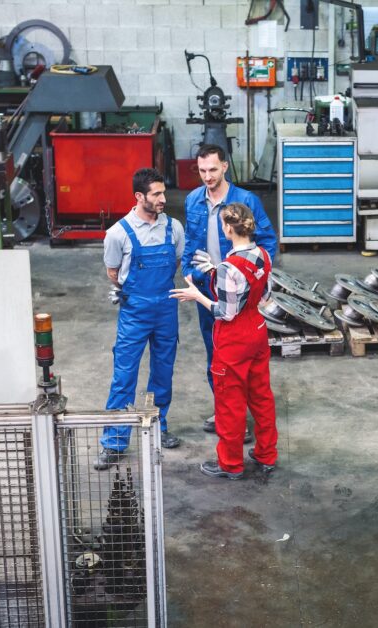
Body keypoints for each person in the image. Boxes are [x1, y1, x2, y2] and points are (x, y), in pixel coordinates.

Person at [171, 202, 279, 480]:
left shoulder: (228, 269)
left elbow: (226, 312)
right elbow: (262, 295)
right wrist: (213, 271)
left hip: (234, 340)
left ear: (228, 228)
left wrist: (198, 295)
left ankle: (230, 464)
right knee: (261, 397)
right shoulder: (263, 255)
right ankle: (266, 455)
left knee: (229, 402)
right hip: (257, 330)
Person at [181, 144, 278, 438]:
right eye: (202, 171)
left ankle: (239, 418)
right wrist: (188, 270)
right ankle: (225, 409)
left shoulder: (245, 200)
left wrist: (258, 282)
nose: (207, 176)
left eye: (212, 169)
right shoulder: (193, 200)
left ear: (225, 166)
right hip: (207, 285)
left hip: (238, 291)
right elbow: (190, 240)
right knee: (215, 355)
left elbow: (267, 241)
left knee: (241, 358)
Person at [95, 168, 184, 471]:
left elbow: (176, 262)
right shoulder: (117, 234)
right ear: (139, 197)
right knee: (124, 376)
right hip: (134, 312)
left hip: (166, 309)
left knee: (162, 373)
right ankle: (114, 442)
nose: (163, 199)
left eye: (163, 192)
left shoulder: (173, 228)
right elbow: (113, 274)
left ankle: (158, 426)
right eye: (156, 194)